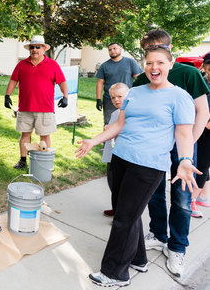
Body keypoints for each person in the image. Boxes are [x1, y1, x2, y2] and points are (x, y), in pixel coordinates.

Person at [75, 29, 200, 287]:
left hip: (149, 166)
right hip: (121, 159)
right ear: (144, 66)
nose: (154, 68)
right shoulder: (136, 91)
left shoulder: (179, 96)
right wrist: (94, 140)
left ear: (170, 64)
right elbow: (119, 124)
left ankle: (114, 274)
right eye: (149, 63)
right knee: (126, 213)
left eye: (160, 63)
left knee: (124, 219)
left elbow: (184, 133)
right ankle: (139, 259)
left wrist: (186, 159)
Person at [133, 42, 209, 277]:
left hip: (183, 147)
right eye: (148, 55)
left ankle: (177, 247)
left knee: (182, 197)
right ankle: (157, 233)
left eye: (159, 55)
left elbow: (203, 112)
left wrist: (188, 149)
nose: (153, 63)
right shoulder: (140, 80)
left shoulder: (190, 74)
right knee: (153, 192)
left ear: (170, 53)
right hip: (153, 148)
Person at [4, 35, 68, 169]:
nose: (34, 49)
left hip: (45, 108)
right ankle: (22, 160)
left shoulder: (53, 65)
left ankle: (42, 162)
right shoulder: (21, 64)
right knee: (25, 135)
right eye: (32, 47)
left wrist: (65, 96)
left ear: (44, 49)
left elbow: (62, 81)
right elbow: (14, 80)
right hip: (25, 107)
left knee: (44, 136)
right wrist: (7, 95)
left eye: (38, 47)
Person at [101, 82, 129, 217]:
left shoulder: (130, 113)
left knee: (122, 187)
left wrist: (110, 129)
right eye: (113, 97)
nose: (116, 100)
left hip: (122, 156)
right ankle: (116, 207)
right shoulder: (115, 113)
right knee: (112, 183)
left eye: (120, 96)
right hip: (111, 155)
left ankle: (121, 214)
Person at [95, 43, 141, 125]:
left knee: (128, 123)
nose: (112, 51)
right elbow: (100, 83)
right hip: (110, 100)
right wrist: (98, 99)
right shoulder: (104, 66)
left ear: (121, 49)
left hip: (127, 99)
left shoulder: (130, 62)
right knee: (108, 123)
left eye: (114, 48)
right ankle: (107, 138)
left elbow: (138, 80)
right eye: (110, 50)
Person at [192, 53, 210, 213]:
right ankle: (191, 201)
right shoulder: (201, 84)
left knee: (205, 165)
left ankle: (202, 196)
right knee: (201, 166)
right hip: (200, 130)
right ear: (204, 67)